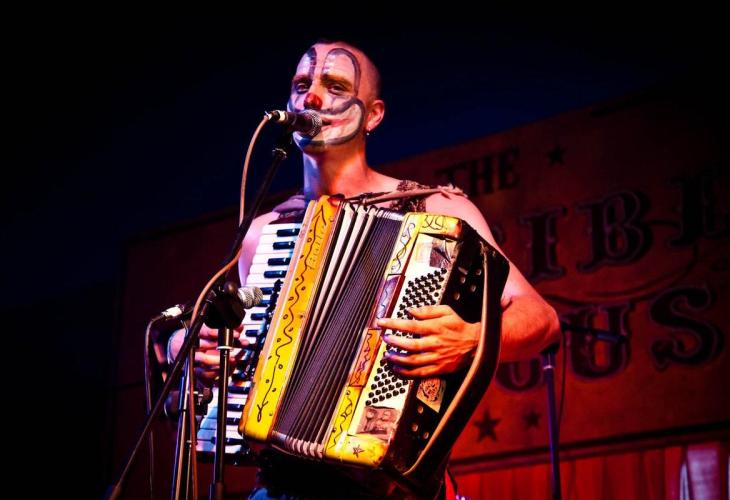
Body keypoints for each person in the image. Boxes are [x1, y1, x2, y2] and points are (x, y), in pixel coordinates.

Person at [165, 39, 560, 498]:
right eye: (301, 85)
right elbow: (243, 358)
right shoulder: (264, 233)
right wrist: (194, 351)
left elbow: (542, 318)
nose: (312, 97)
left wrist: (474, 338)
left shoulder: (437, 209)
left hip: (390, 487)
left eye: (335, 86)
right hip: (280, 486)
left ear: (373, 115)